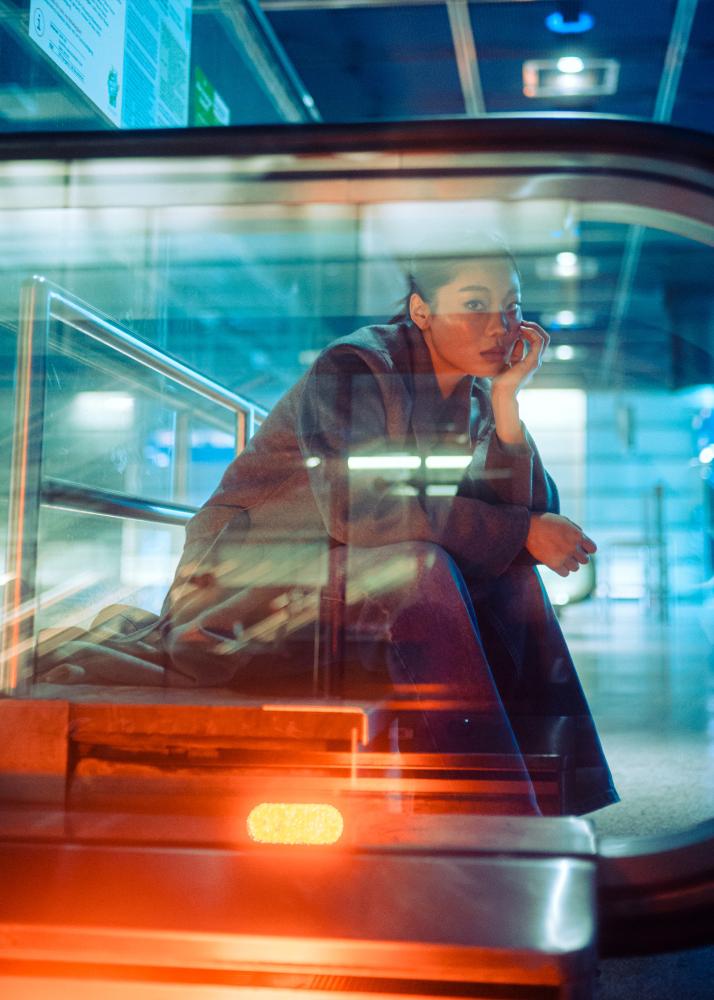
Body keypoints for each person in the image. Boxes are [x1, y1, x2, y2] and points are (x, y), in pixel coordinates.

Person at [39, 244, 618, 816]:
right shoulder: (356, 367)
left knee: (509, 576)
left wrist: (509, 402)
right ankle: (497, 813)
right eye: (474, 304)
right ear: (422, 312)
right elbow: (361, 510)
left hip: (342, 579)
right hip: (253, 583)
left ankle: (559, 798)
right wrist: (517, 530)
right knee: (420, 564)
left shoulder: (474, 396)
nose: (500, 325)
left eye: (512, 307)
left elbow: (525, 513)